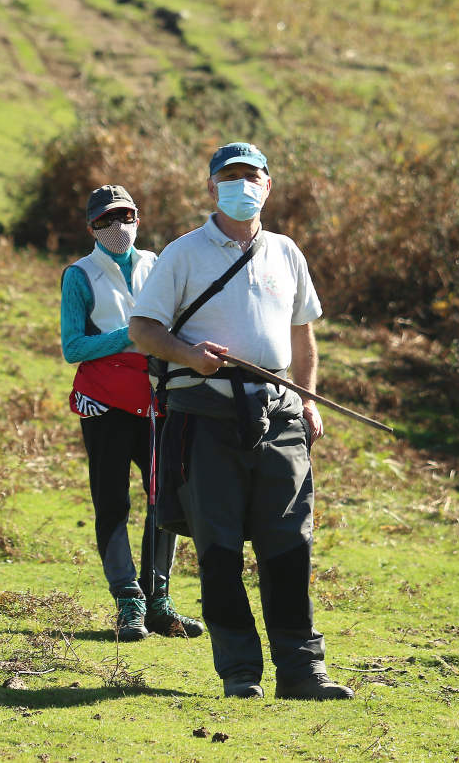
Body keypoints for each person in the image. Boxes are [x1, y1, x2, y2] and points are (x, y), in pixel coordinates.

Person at [129, 142, 354, 700]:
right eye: (229, 176)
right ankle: (239, 674)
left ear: (268, 185)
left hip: (279, 413)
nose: (242, 185)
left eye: (252, 176)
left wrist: (309, 400)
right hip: (205, 414)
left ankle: (302, 673)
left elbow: (303, 335)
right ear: (211, 187)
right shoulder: (181, 255)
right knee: (219, 548)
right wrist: (187, 355)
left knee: (289, 544)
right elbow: (144, 330)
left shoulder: (286, 253)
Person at [60, 184, 203, 641]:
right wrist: (131, 336)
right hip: (104, 403)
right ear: (91, 228)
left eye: (124, 216)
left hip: (158, 399)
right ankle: (128, 603)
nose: (116, 227)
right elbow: (73, 346)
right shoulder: (79, 275)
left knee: (165, 498)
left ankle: (159, 601)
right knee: (112, 502)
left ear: (138, 218)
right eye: (104, 220)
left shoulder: (157, 264)